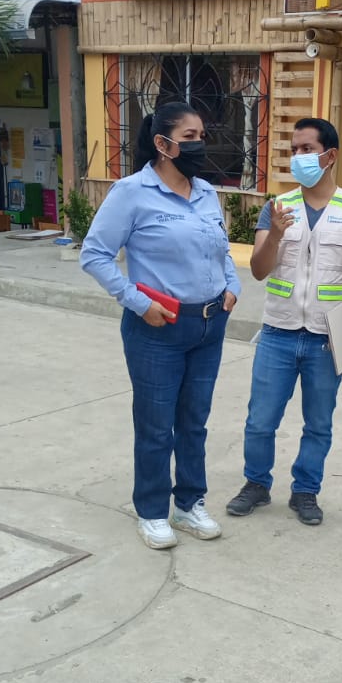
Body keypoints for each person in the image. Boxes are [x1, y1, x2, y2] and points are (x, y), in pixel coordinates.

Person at [80, 102, 240, 551]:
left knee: (194, 422)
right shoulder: (131, 192)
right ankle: (152, 511)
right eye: (189, 137)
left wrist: (232, 285)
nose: (199, 144)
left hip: (209, 325)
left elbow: (220, 250)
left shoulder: (206, 192)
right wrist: (138, 302)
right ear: (162, 144)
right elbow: (94, 255)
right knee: (155, 426)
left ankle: (189, 503)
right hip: (157, 328)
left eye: (202, 135)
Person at [226, 118, 342, 527]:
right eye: (294, 150)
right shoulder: (277, 208)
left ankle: (306, 491)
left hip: (328, 337)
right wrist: (274, 235)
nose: (298, 157)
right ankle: (256, 484)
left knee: (319, 423)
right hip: (278, 331)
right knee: (260, 421)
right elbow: (259, 270)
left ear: (330, 155)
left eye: (307, 149)